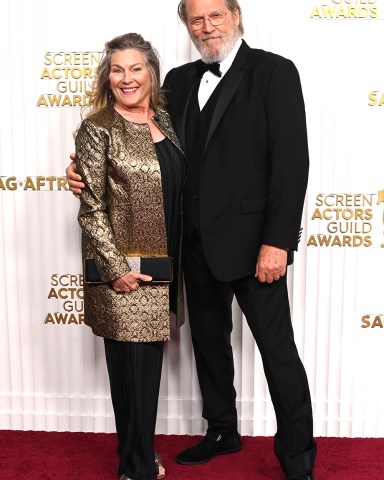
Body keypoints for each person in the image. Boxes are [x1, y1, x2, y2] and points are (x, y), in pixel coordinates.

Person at [67, 1, 316, 478]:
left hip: (254, 245)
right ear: (187, 26)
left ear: (236, 16)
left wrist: (278, 241)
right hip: (192, 247)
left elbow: (292, 162)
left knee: (278, 350)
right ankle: (222, 429)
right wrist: (80, 170)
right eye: (196, 19)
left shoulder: (274, 71)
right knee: (209, 344)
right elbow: (137, 143)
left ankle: (297, 456)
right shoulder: (177, 82)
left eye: (215, 16)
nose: (207, 27)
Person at [74, 32, 186, 480]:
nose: (127, 78)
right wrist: (115, 269)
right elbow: (92, 207)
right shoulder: (98, 127)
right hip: (127, 273)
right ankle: (136, 468)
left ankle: (136, 457)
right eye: (117, 69)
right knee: (132, 377)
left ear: (151, 72)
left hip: (166, 268)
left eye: (136, 68)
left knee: (144, 376)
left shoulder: (168, 118)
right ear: (108, 76)